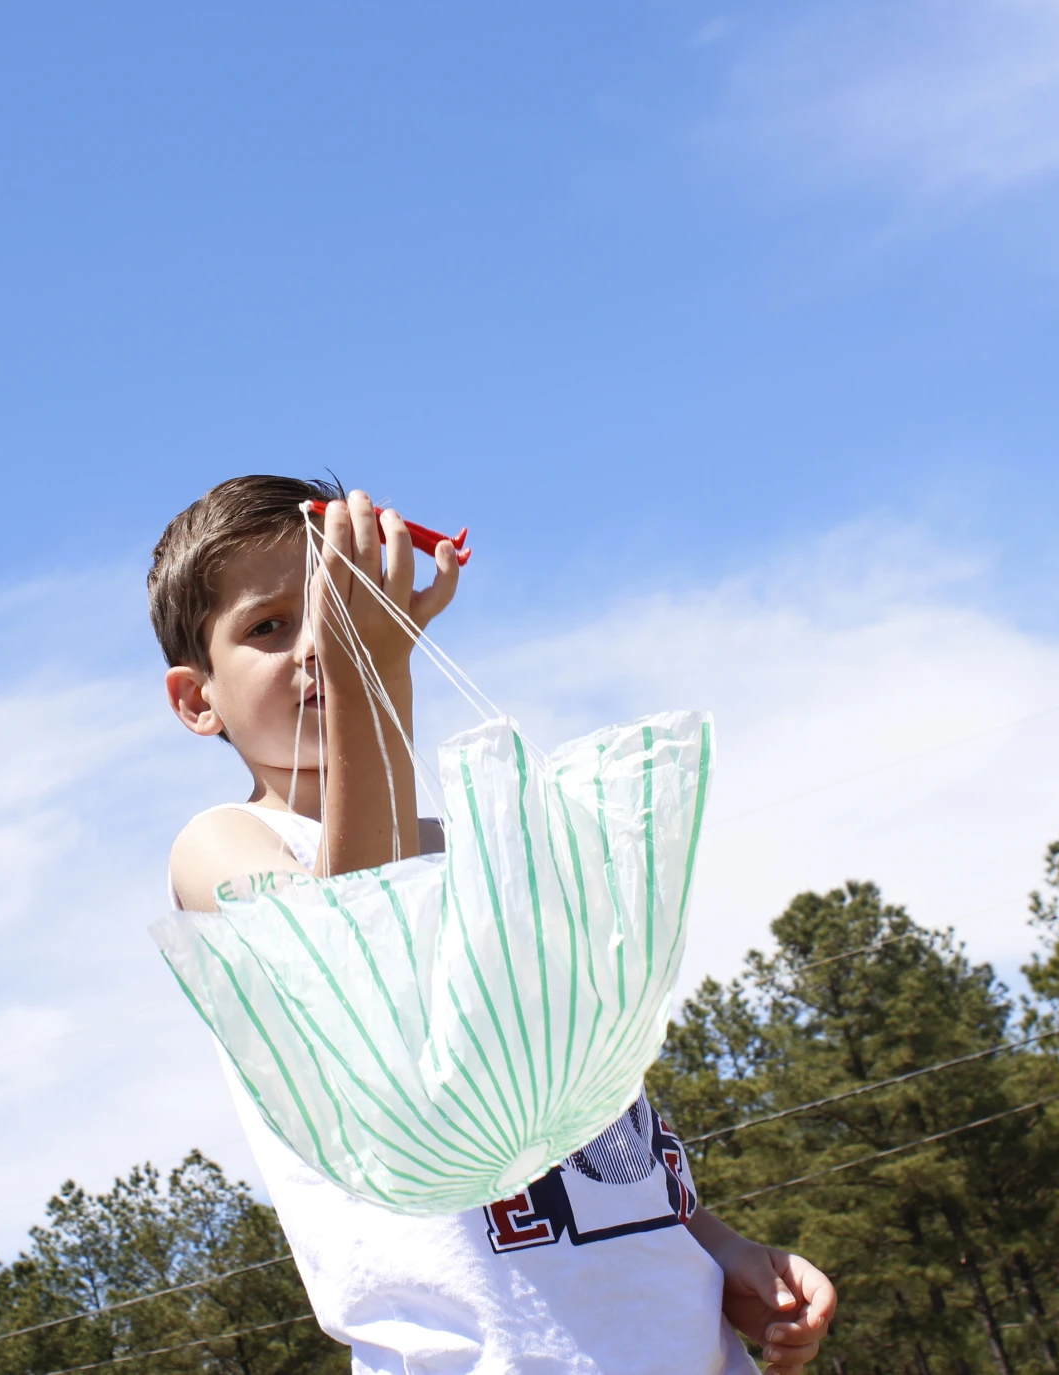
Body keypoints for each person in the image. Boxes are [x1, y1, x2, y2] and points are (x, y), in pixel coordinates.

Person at [149, 474, 838, 1374]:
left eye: (340, 603)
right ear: (196, 698)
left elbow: (591, 1116)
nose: (321, 638)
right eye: (270, 625)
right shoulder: (224, 847)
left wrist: (715, 1244)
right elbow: (361, 937)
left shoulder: (476, 841)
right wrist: (374, 670)